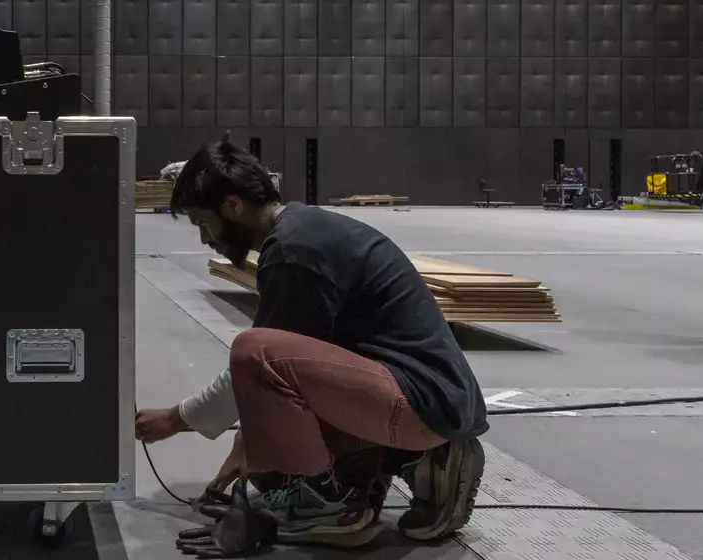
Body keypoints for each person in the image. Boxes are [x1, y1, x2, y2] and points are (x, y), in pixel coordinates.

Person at [134, 141, 488, 549]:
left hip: (425, 401)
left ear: (232, 206)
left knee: (253, 352)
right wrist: (252, 440)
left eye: (202, 223)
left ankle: (337, 506)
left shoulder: (293, 251)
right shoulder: (303, 228)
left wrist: (175, 419)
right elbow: (288, 377)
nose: (203, 238)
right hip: (424, 397)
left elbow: (259, 366)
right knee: (270, 466)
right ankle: (409, 463)